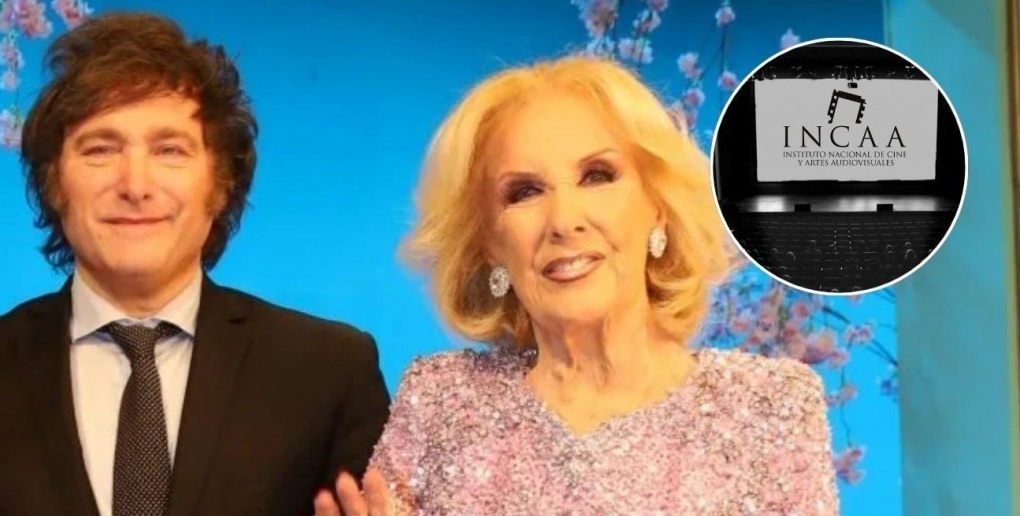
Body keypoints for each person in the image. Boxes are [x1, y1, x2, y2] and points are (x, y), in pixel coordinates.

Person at [316, 55, 838, 515]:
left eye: (597, 176)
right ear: (488, 242)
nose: (564, 221)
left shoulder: (770, 406)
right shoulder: (440, 401)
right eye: (524, 192)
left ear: (658, 204)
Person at [0, 12, 390, 516]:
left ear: (221, 184)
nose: (135, 185)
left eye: (169, 150)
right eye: (100, 149)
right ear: (53, 183)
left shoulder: (329, 371)